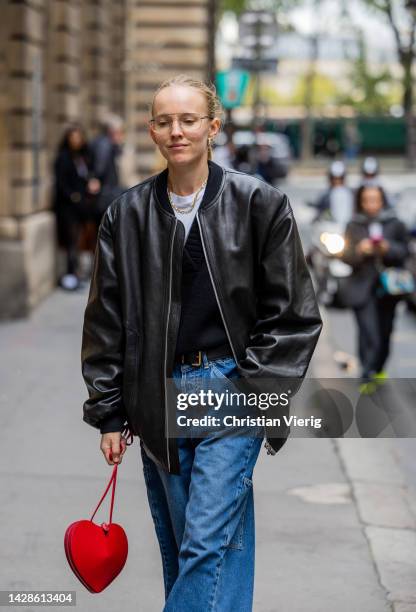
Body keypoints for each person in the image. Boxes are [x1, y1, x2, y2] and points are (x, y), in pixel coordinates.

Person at [81, 74, 322, 611]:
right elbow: (106, 321)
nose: (176, 131)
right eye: (164, 121)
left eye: (189, 119)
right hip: (157, 394)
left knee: (205, 540)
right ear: (150, 130)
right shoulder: (126, 215)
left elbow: (295, 315)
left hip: (229, 388)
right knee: (190, 545)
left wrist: (253, 391)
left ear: (213, 126)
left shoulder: (260, 204)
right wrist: (109, 412)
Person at [341, 185, 410, 382]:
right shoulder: (354, 224)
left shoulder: (395, 223)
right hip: (362, 287)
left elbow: (405, 251)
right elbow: (345, 256)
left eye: (375, 199)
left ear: (382, 200)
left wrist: (387, 248)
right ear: (361, 202)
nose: (371, 204)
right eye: (367, 200)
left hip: (389, 288)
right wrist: (360, 250)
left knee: (385, 331)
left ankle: (378, 367)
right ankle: (367, 371)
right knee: (367, 331)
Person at [53, 123, 100, 290]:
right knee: (70, 241)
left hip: (81, 206)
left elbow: (86, 175)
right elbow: (61, 183)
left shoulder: (82, 156)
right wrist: (74, 196)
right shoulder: (63, 157)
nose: (76, 140)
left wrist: (91, 183)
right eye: (73, 137)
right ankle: (70, 275)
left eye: (79, 137)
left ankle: (76, 273)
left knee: (80, 240)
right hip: (68, 207)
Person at [89, 114, 125, 228]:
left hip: (107, 191)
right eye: (119, 131)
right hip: (106, 192)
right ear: (111, 131)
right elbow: (100, 167)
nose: (121, 134)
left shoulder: (106, 143)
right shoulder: (104, 145)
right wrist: (96, 178)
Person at [313, 160, 354, 226]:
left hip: (347, 229)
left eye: (340, 178)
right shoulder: (324, 196)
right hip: (329, 230)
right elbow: (318, 211)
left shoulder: (351, 194)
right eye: (334, 178)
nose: (336, 181)